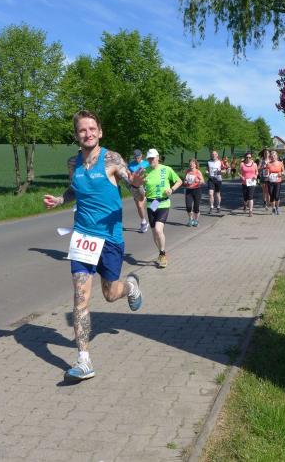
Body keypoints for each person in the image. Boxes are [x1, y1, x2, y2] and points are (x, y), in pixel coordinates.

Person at [43, 110, 145, 382]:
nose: (87, 134)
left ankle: (131, 287)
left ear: (100, 132)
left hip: (110, 238)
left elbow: (137, 192)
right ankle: (84, 360)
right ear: (76, 135)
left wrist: (137, 186)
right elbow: (74, 189)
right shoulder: (73, 163)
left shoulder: (112, 159)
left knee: (110, 293)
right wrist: (60, 200)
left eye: (91, 129)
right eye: (82, 130)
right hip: (83, 238)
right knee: (80, 297)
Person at [143, 148, 182, 268]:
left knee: (159, 230)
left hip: (163, 203)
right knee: (154, 233)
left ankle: (163, 254)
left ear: (158, 158)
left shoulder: (166, 169)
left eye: (152, 158)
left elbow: (179, 181)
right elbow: (140, 186)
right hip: (151, 204)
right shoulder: (145, 171)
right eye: (149, 159)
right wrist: (141, 190)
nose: (151, 160)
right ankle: (160, 252)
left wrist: (171, 189)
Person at [128, 149, 150, 233]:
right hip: (136, 187)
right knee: (139, 206)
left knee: (153, 203)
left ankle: (153, 215)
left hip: (147, 186)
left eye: (138, 157)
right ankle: (144, 221)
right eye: (135, 157)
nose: (137, 159)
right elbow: (129, 178)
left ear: (141, 156)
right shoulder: (130, 165)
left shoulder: (147, 164)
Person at [183, 158, 204, 227]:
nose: (191, 165)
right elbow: (184, 181)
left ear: (195, 165)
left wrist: (198, 181)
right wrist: (185, 182)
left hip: (197, 190)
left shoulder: (198, 172)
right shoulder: (187, 171)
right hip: (189, 190)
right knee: (188, 206)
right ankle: (190, 219)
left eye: (192, 164)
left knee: (196, 207)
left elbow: (203, 181)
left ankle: (196, 220)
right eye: (190, 164)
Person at [240, 151, 259, 217]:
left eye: (249, 157)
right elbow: (239, 173)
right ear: (245, 157)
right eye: (247, 157)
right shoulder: (242, 164)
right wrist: (241, 177)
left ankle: (250, 211)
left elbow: (257, 172)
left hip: (252, 182)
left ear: (251, 158)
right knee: (245, 197)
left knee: (250, 196)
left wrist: (256, 176)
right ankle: (245, 204)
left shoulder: (254, 164)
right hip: (244, 182)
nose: (248, 158)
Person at [267, 150, 285, 214]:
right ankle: (273, 208)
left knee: (277, 196)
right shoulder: (268, 164)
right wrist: (267, 175)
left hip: (278, 181)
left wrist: (281, 174)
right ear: (270, 157)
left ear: (277, 156)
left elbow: (283, 172)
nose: (273, 157)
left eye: (274, 156)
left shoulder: (280, 163)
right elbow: (266, 172)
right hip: (270, 181)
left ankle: (277, 208)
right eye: (272, 156)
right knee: (271, 195)